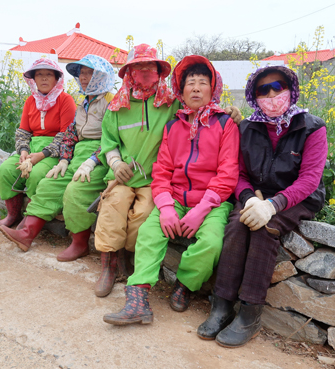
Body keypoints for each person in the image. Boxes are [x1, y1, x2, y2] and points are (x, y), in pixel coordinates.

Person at [93, 44, 242, 298]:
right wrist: (115, 163)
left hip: (171, 188)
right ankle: (116, 272)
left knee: (146, 215)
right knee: (114, 206)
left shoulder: (171, 104)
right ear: (129, 72)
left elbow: (204, 113)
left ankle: (165, 277)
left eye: (150, 66)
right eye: (137, 67)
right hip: (133, 180)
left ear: (159, 72)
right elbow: (109, 141)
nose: (144, 72)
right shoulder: (117, 106)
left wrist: (228, 110)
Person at [197, 65, 328, 348]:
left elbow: (309, 180)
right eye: (263, 90)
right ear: (254, 96)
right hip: (256, 194)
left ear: (290, 89)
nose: (271, 94)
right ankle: (221, 305)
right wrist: (249, 199)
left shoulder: (312, 127)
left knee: (264, 228)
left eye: (277, 87)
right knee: (236, 225)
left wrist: (272, 205)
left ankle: (250, 313)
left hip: (298, 196)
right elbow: (239, 174)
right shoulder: (247, 127)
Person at [0, 55, 115, 260]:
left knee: (75, 190)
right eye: (82, 74)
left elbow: (114, 139)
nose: (84, 78)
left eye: (90, 73)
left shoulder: (111, 103)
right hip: (78, 154)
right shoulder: (85, 102)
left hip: (101, 156)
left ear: (102, 75)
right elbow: (71, 134)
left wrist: (92, 161)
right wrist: (63, 159)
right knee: (49, 183)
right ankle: (27, 234)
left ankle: (80, 243)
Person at [0, 58, 76, 229]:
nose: (44, 79)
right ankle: (13, 215)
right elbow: (23, 132)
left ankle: (29, 219)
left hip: (54, 151)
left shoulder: (65, 100)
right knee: (6, 170)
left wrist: (42, 155)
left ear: (56, 79)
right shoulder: (31, 101)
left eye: (49, 75)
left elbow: (66, 135)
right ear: (34, 79)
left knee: (37, 174)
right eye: (40, 75)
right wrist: (24, 150)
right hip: (32, 147)